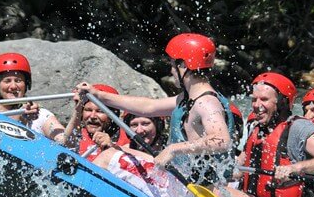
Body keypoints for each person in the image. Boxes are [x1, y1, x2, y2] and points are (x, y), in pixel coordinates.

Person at [76, 33, 233, 173]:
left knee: (108, 157)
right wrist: (98, 95)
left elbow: (221, 140)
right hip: (179, 174)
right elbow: (148, 107)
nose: (171, 71)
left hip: (187, 186)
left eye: (173, 65)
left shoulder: (205, 102)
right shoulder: (189, 99)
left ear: (184, 65)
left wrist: (173, 149)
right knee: (119, 150)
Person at [0, 52, 66, 142]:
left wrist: (78, 110)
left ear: (26, 84)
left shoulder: (39, 115)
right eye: (7, 81)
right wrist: (19, 114)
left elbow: (65, 141)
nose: (13, 86)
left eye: (18, 81)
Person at [63, 84, 131, 161]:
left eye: (100, 111)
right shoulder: (75, 133)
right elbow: (64, 147)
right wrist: (78, 107)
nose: (92, 116)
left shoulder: (128, 139)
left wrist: (111, 148)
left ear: (114, 114)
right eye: (88, 110)